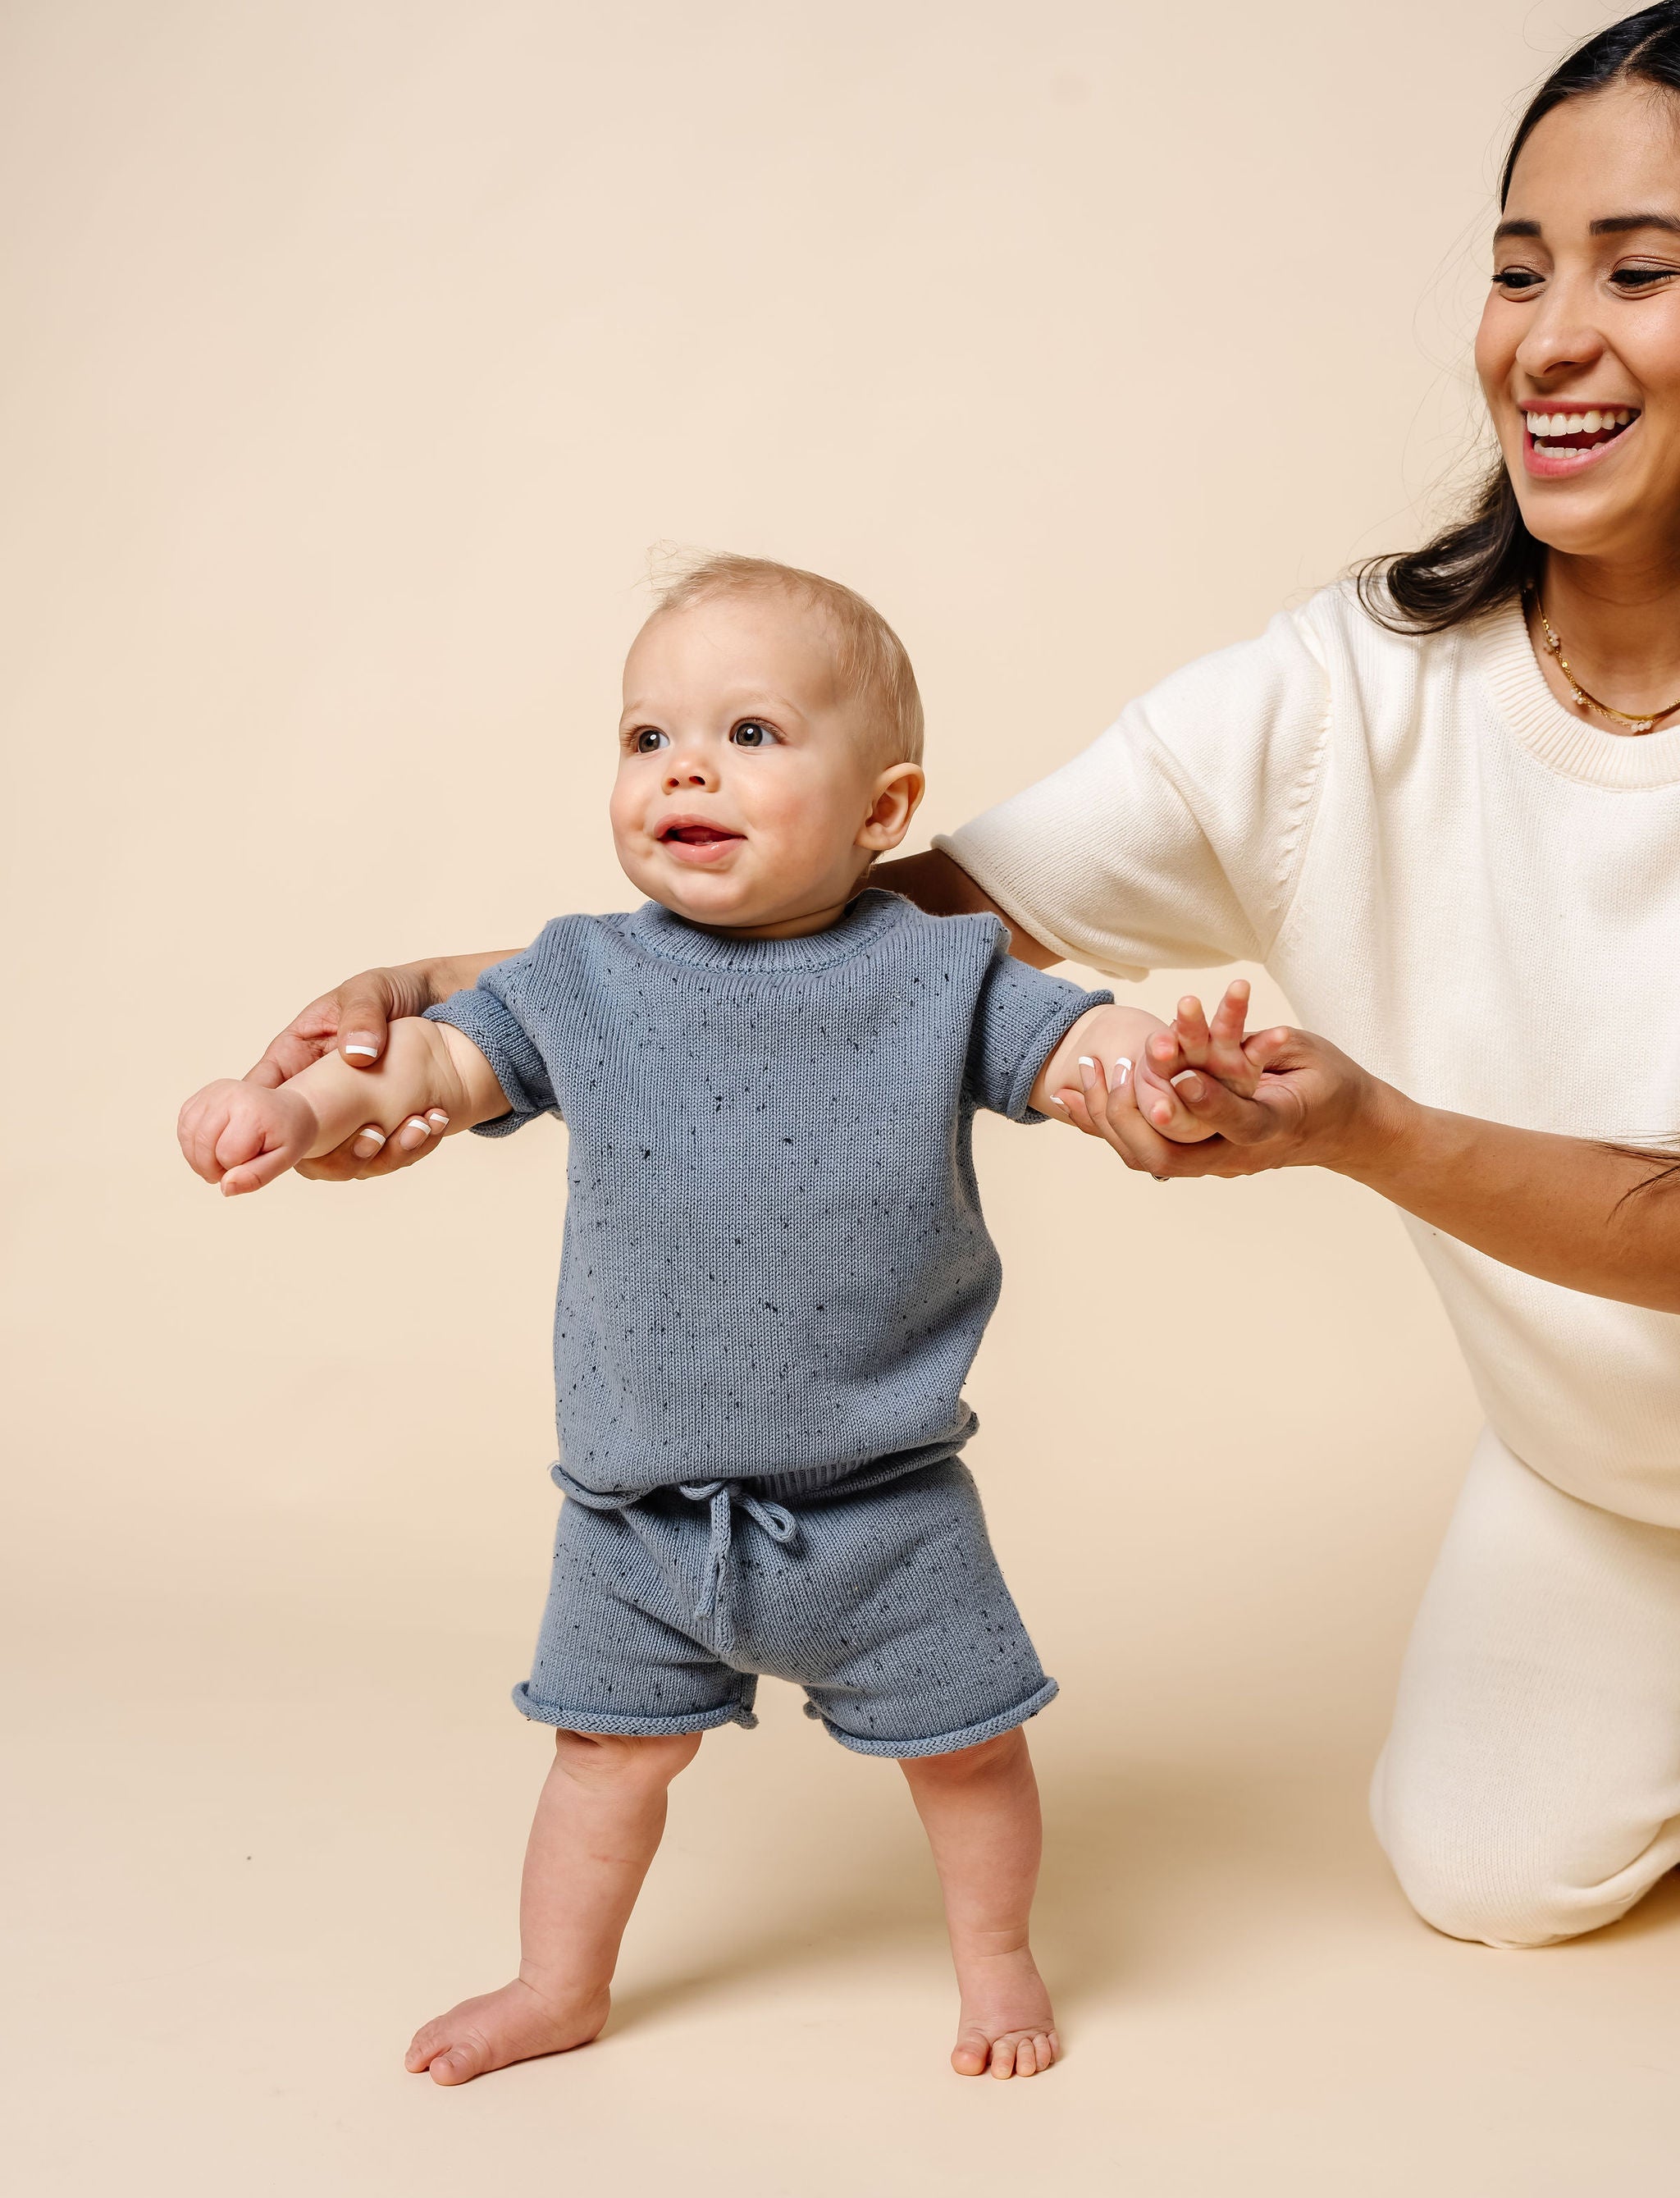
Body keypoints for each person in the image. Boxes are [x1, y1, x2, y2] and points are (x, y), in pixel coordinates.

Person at [251, 11, 1680, 1954]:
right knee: (1490, 1875)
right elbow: (889, 925)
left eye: (1641, 271)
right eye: (1520, 268)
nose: (1550, 338)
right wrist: (456, 1008)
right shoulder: (1348, 684)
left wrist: (1371, 1132)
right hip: (1596, 1473)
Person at [179, 554, 1265, 2082]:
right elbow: (418, 1068)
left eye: (751, 734)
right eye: (646, 738)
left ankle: (998, 1961)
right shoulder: (585, 978)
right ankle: (557, 1982)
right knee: (602, 1763)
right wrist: (284, 1105)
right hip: (638, 1516)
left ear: (883, 811)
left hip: (885, 1512)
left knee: (970, 1756)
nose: (684, 767)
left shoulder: (941, 970)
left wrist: (1158, 1065)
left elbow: (1076, 1044)